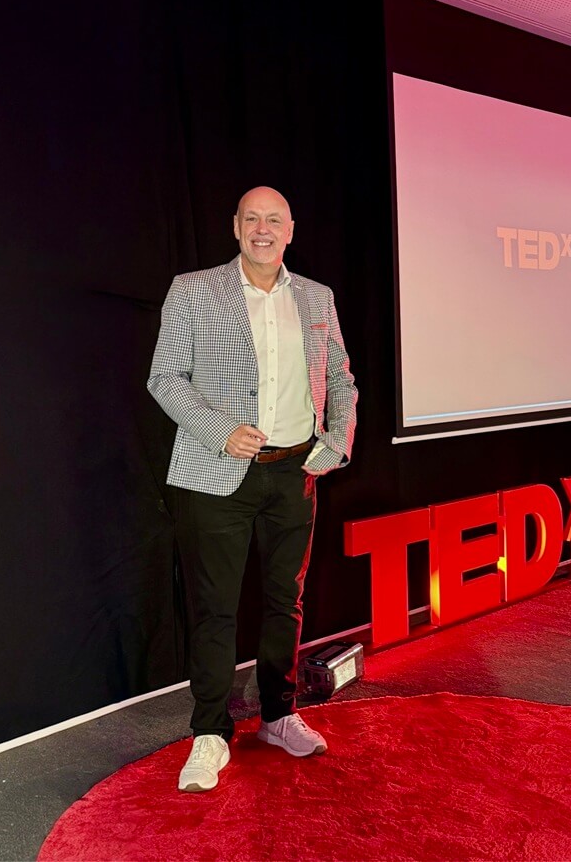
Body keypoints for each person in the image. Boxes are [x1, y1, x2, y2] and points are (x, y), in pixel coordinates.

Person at [148, 186, 357, 792]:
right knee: (214, 608)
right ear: (235, 226)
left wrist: (338, 440)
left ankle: (279, 714)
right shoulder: (193, 290)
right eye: (252, 219)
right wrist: (220, 430)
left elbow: (341, 378)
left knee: (283, 603)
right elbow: (164, 377)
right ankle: (210, 733)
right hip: (215, 476)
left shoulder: (317, 297)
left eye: (274, 220)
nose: (263, 229)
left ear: (290, 230)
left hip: (295, 473)